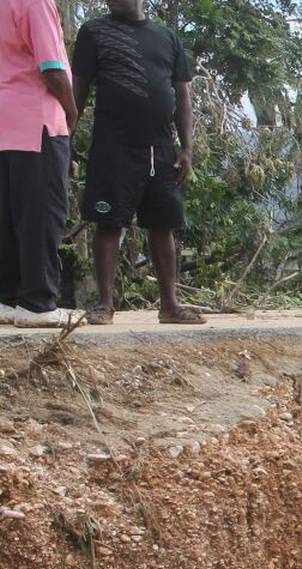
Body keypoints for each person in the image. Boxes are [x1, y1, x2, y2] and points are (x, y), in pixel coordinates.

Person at [72, 0, 204, 325]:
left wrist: (186, 148)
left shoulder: (167, 37)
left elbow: (183, 96)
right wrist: (66, 138)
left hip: (159, 148)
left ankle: (170, 306)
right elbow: (78, 89)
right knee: (108, 223)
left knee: (162, 224)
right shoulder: (94, 32)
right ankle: (104, 305)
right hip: (112, 146)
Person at [0, 0, 79, 328]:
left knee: (8, 213)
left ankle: (6, 298)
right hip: (37, 121)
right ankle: (37, 302)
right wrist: (72, 111)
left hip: (4, 120)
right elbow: (51, 68)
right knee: (42, 211)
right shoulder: (35, 2)